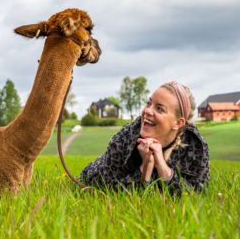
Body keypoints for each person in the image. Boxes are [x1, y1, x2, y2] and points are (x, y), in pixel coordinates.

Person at [79, 81, 210, 195]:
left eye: (160, 109)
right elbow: (108, 189)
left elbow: (198, 192)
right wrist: (145, 167)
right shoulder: (124, 138)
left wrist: (162, 167)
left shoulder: (196, 145)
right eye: (149, 103)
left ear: (178, 123)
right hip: (92, 174)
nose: (147, 111)